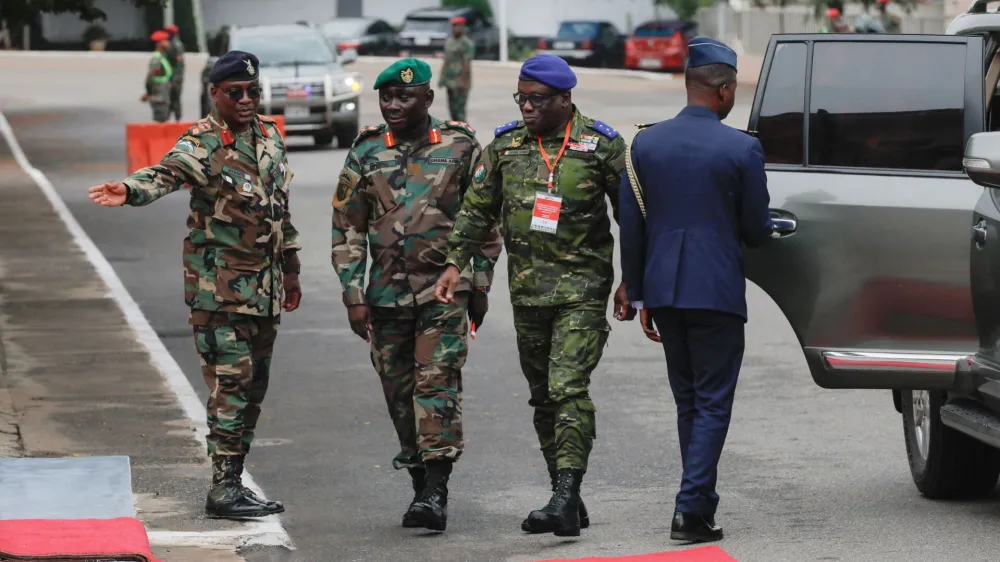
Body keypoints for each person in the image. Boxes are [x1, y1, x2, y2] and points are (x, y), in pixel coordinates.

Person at [87, 50, 302, 520]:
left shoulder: (268, 136)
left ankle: (234, 479)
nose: (246, 100)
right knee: (232, 385)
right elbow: (165, 173)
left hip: (264, 291)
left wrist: (292, 268)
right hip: (220, 292)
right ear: (215, 94)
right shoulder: (201, 143)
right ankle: (222, 487)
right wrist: (129, 191)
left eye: (253, 91)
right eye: (235, 93)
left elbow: (279, 209)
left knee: (255, 388)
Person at [435, 53, 632, 537]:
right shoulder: (505, 147)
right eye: (521, 97)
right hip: (527, 294)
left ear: (566, 99)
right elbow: (477, 211)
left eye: (537, 99)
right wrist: (455, 263)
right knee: (543, 397)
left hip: (582, 293)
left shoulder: (601, 146)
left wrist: (636, 279)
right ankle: (566, 493)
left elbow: (636, 218)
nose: (527, 107)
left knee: (568, 388)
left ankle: (564, 495)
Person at [331, 58, 501, 532]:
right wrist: (352, 292)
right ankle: (420, 483)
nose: (393, 105)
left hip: (444, 293)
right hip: (384, 296)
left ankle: (435, 491)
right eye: (386, 97)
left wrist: (480, 284)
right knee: (398, 393)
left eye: (404, 97)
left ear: (428, 98)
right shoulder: (366, 151)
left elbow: (486, 218)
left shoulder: (461, 145)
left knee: (437, 385)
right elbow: (346, 226)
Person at [618, 37, 773, 543]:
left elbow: (632, 224)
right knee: (711, 401)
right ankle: (689, 511)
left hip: (663, 291)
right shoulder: (742, 147)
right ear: (725, 90)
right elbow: (754, 227)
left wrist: (637, 292)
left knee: (688, 400)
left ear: (690, 86)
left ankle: (699, 503)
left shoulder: (645, 142)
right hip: (715, 291)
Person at [439, 16, 475, 122]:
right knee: (452, 108)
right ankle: (456, 130)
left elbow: (467, 63)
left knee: (460, 111)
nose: (457, 28)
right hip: (450, 81)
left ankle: (465, 133)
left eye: (459, 26)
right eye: (454, 26)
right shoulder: (449, 41)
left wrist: (463, 81)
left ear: (463, 27)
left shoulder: (467, 43)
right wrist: (442, 78)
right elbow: (446, 61)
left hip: (460, 81)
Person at [143, 30, 173, 123]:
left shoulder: (162, 57)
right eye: (166, 40)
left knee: (164, 120)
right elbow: (150, 78)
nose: (168, 43)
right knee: (159, 122)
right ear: (159, 43)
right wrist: (148, 93)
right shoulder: (156, 59)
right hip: (159, 97)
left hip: (163, 96)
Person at [165, 24, 186, 120]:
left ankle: (177, 119)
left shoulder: (176, 45)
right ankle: (169, 118)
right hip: (171, 76)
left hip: (175, 77)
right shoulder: (170, 44)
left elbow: (179, 63)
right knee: (170, 97)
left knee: (175, 97)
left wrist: (175, 78)